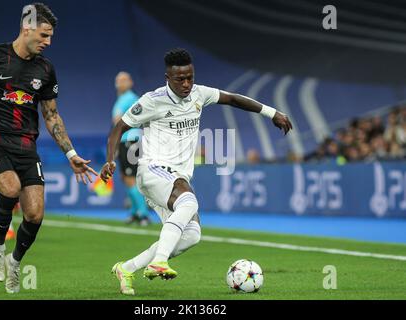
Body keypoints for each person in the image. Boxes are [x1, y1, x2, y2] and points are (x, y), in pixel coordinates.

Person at [100, 48, 292, 295]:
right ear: (167, 77)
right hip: (152, 169)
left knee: (191, 235)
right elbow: (119, 128)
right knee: (188, 201)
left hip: (175, 176)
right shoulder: (152, 100)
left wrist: (272, 112)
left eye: (190, 77)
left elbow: (233, 98)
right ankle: (159, 262)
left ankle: (126, 268)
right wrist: (109, 160)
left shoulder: (199, 94)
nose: (187, 83)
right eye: (180, 79)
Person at [0, 3, 97, 294]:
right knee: (9, 187)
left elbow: (52, 115)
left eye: (51, 37)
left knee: (35, 214)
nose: (48, 42)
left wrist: (70, 154)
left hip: (25, 144)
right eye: (44, 35)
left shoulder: (45, 69)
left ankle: (15, 261)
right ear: (26, 28)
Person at [111, 72, 150, 226]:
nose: (121, 83)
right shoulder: (124, 99)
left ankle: (143, 214)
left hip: (130, 140)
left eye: (124, 80)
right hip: (128, 140)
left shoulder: (129, 98)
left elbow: (117, 121)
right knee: (126, 177)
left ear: (131, 82)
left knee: (130, 178)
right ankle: (134, 212)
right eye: (118, 80)